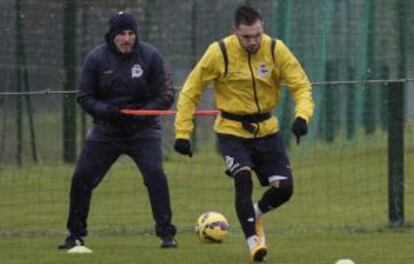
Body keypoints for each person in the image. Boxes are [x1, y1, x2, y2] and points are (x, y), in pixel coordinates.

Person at [173, 5, 314, 263]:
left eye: (257, 35)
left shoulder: (275, 49)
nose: (253, 41)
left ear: (263, 29)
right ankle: (254, 245)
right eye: (247, 36)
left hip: (267, 131)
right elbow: (190, 91)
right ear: (234, 32)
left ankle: (256, 213)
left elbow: (301, 85)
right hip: (231, 132)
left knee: (284, 189)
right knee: (243, 177)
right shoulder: (219, 52)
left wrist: (302, 116)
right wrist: (183, 133)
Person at [58, 11, 177, 250]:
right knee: (82, 177)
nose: (127, 39)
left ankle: (166, 234)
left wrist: (143, 111)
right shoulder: (96, 59)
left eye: (131, 33)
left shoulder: (151, 56)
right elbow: (85, 97)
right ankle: (75, 235)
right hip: (106, 131)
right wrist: (107, 111)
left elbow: (166, 95)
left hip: (143, 131)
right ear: (112, 36)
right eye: (122, 33)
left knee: (155, 175)